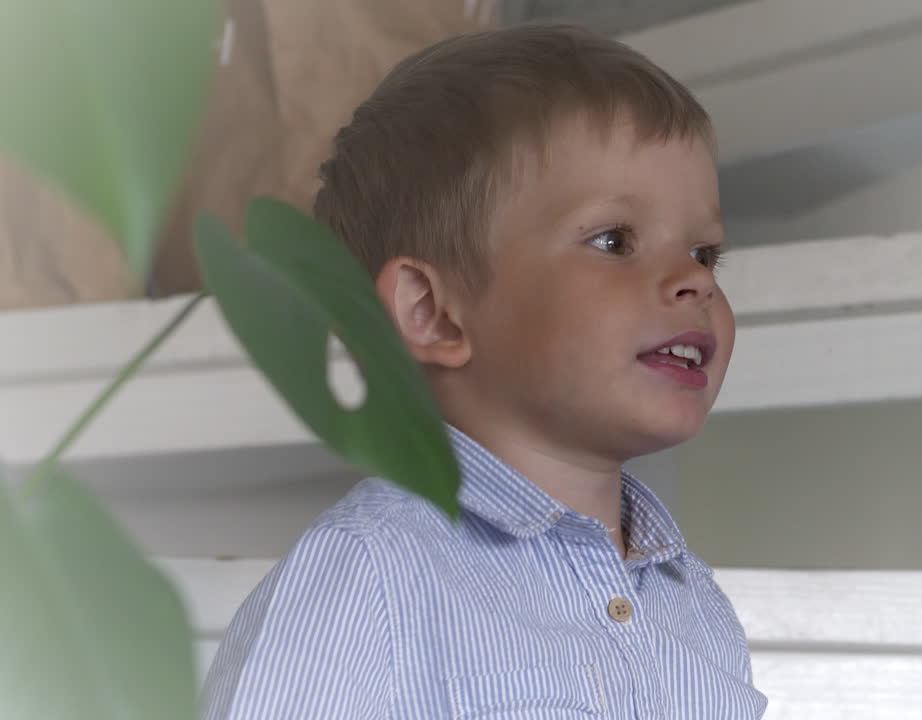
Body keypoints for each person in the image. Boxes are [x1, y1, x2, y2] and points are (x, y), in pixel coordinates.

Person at [201, 23, 765, 719]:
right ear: (433, 313)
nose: (693, 281)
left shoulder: (694, 606)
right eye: (615, 240)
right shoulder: (369, 577)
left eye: (706, 254)